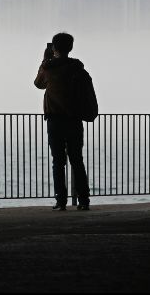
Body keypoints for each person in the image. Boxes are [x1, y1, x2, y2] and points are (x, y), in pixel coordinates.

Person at [34, 32, 91, 211]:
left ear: (54, 48)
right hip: (74, 120)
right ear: (70, 47)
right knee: (77, 160)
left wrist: (44, 60)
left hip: (55, 120)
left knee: (58, 161)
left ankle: (61, 201)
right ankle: (83, 200)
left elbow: (38, 84)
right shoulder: (77, 68)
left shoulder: (49, 68)